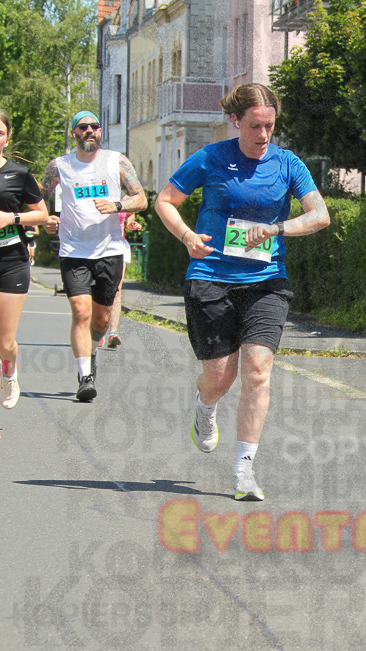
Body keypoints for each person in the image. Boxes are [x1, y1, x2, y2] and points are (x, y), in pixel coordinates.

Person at [154, 83, 330, 501]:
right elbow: (165, 200)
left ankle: (244, 470)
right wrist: (186, 236)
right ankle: (206, 403)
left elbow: (320, 215)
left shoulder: (287, 163)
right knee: (220, 377)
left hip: (266, 280)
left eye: (270, 125)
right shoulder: (213, 158)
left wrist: (277, 228)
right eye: (255, 126)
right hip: (211, 276)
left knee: (256, 369)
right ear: (236, 121)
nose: (264, 134)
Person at [39, 111, 147, 402]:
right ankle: (84, 377)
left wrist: (116, 204)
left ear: (100, 132)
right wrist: (44, 219)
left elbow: (141, 197)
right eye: (83, 127)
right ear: (74, 133)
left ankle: (93, 348)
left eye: (95, 126)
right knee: (81, 312)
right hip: (74, 251)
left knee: (100, 319)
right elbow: (38, 196)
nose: (90, 131)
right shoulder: (59, 166)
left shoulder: (116, 161)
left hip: (109, 251)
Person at [0, 109, 50, 410]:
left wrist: (11, 217)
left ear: (7, 138)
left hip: (10, 260)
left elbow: (42, 214)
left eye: (0, 132)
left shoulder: (18, 174)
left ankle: (10, 373)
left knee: (5, 343)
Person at [100, 212, 142, 349]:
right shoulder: (97, 192)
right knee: (97, 289)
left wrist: (131, 224)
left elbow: (130, 217)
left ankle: (113, 333)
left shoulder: (124, 198)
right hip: (95, 246)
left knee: (116, 289)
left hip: (119, 246)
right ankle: (97, 330)